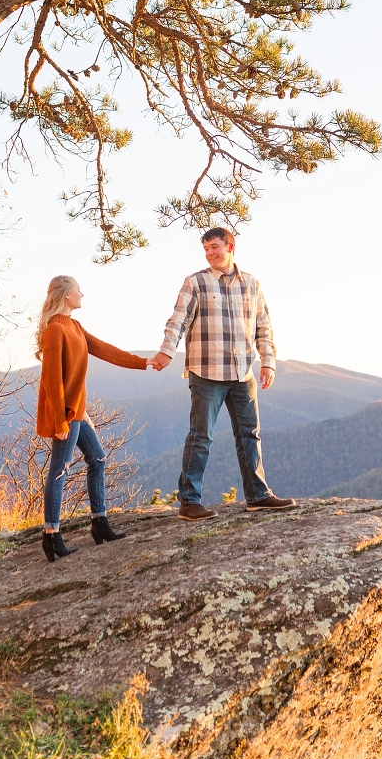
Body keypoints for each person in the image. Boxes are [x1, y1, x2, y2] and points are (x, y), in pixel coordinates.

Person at [148, 227, 296, 520]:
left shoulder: (252, 284)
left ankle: (258, 496)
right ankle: (189, 502)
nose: (210, 253)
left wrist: (268, 361)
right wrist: (167, 350)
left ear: (231, 247)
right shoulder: (196, 282)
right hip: (206, 372)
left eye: (214, 247)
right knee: (201, 436)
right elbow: (177, 319)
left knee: (249, 435)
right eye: (206, 249)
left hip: (243, 373)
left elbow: (263, 326)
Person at [36, 275, 148, 562]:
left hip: (76, 410)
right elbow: (51, 379)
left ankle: (99, 523)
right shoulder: (54, 330)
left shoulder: (74, 326)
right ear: (66, 296)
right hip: (65, 413)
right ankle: (51, 536)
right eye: (78, 291)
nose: (82, 295)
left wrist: (144, 362)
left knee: (98, 459)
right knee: (59, 470)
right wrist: (61, 421)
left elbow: (103, 349)